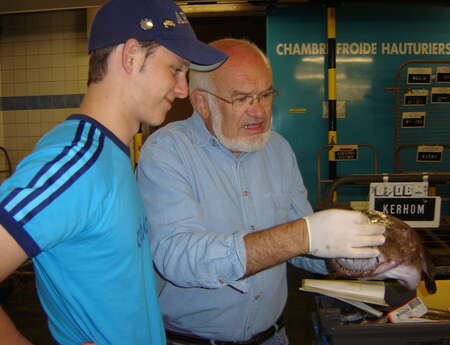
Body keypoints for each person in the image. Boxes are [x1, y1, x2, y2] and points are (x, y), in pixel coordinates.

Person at [0, 0, 227, 344]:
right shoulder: (76, 161)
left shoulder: (111, 154)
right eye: (175, 70)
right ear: (132, 56)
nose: (182, 90)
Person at [137, 38, 389, 345]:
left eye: (266, 95)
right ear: (202, 103)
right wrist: (301, 235)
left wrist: (360, 257)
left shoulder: (279, 150)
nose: (259, 112)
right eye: (242, 99)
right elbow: (178, 257)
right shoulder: (166, 152)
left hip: (274, 337)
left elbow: (305, 249)